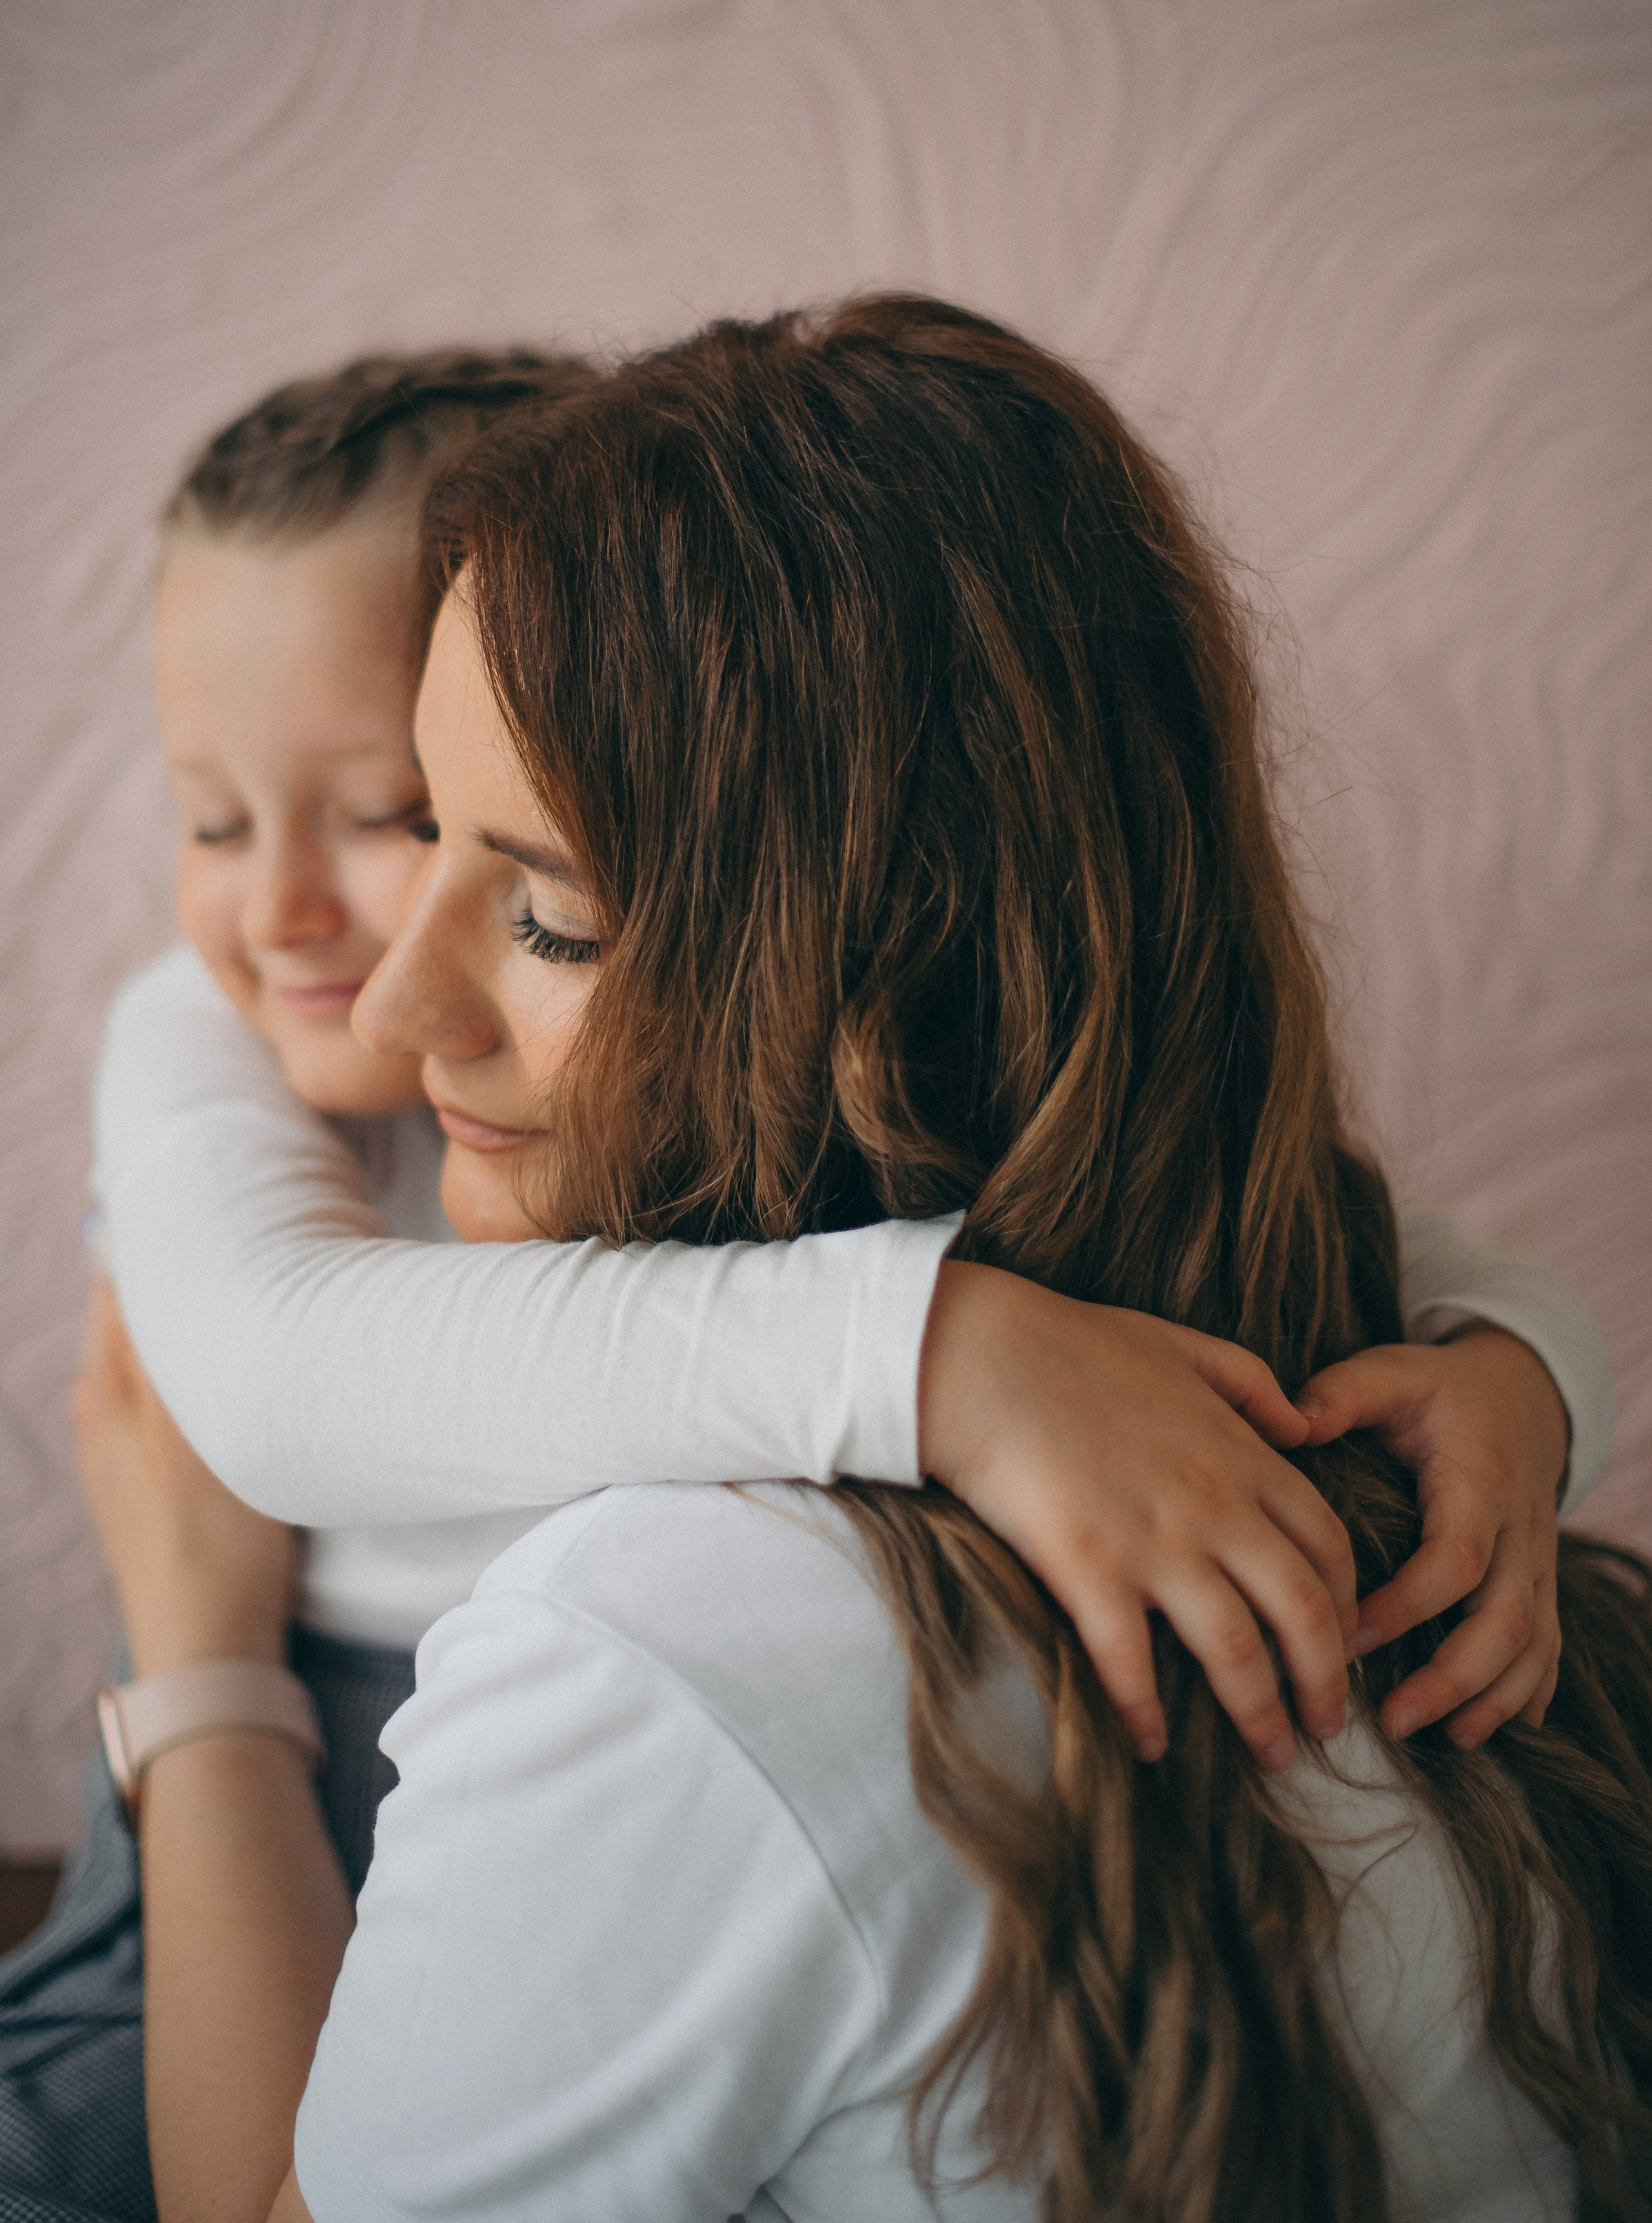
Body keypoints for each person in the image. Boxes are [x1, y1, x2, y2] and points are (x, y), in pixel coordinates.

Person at [74, 297, 1652, 2220]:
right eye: (222, 819)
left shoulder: (673, 1648)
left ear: (869, 966)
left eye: (542, 909)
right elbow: (272, 1357)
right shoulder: (1371, 1484)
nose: (388, 998)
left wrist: (197, 1666)